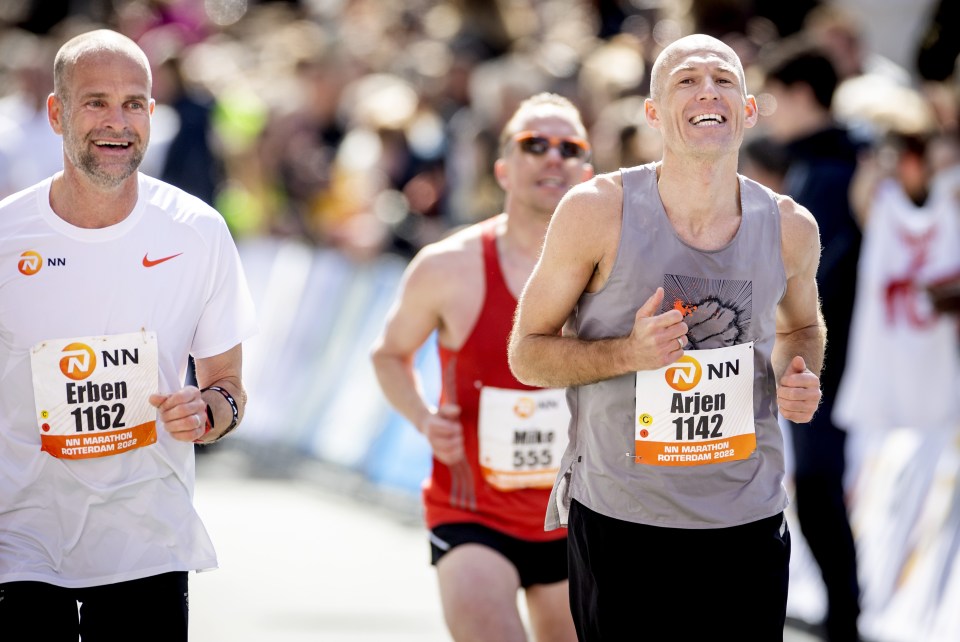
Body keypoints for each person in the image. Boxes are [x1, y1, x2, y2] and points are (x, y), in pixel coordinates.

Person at [508, 35, 824, 640]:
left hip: (747, 520)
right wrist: (629, 353)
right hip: (624, 521)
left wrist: (798, 372)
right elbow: (527, 352)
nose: (708, 89)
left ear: (749, 110)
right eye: (686, 80)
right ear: (653, 113)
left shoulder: (789, 226)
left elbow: (803, 327)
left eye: (724, 79)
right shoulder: (597, 211)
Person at [0, 29, 257, 641]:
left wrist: (208, 413)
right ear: (57, 112)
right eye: (96, 102)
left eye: (134, 103)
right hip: (22, 542)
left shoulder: (197, 231)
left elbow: (228, 389)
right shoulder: (7, 237)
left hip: (147, 543)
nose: (118, 123)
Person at [370, 92, 593, 642]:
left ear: (587, 170)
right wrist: (425, 420)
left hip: (575, 515)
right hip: (472, 515)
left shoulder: (610, 273)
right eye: (534, 144)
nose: (553, 158)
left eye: (570, 147)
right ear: (503, 169)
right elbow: (389, 355)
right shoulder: (450, 266)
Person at [758, 40, 864, 641]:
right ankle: (843, 611)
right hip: (833, 356)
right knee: (816, 489)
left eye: (775, 98)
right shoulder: (829, 162)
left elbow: (817, 280)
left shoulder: (829, 170)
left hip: (836, 359)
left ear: (803, 95)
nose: (771, 111)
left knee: (819, 488)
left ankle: (846, 616)